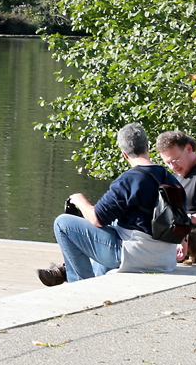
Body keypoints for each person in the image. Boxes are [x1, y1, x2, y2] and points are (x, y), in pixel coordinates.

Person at [40, 122, 183, 285]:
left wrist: (80, 200)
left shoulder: (128, 180)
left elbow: (96, 219)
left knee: (62, 223)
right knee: (114, 224)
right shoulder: (170, 178)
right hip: (166, 258)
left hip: (137, 256)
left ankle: (79, 284)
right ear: (148, 147)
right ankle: (96, 277)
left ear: (125, 154)